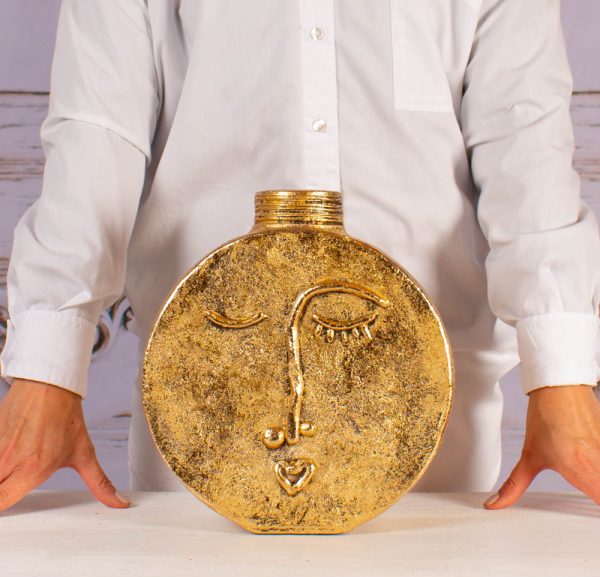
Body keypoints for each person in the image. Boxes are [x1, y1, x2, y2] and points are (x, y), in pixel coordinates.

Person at [0, 0, 599, 513]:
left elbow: (524, 140)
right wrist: (49, 369)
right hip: (207, 406)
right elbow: (97, 130)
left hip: (438, 417)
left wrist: (560, 377)